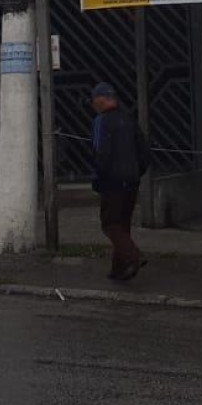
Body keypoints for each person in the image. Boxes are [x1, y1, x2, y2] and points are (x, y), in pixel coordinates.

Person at [89, 82, 148, 281]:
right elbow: (144, 151)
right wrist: (136, 172)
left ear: (102, 100)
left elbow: (100, 153)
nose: (93, 105)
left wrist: (98, 177)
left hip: (112, 182)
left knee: (110, 223)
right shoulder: (128, 119)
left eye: (95, 100)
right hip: (131, 181)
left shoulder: (101, 122)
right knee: (122, 225)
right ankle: (119, 268)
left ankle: (133, 256)